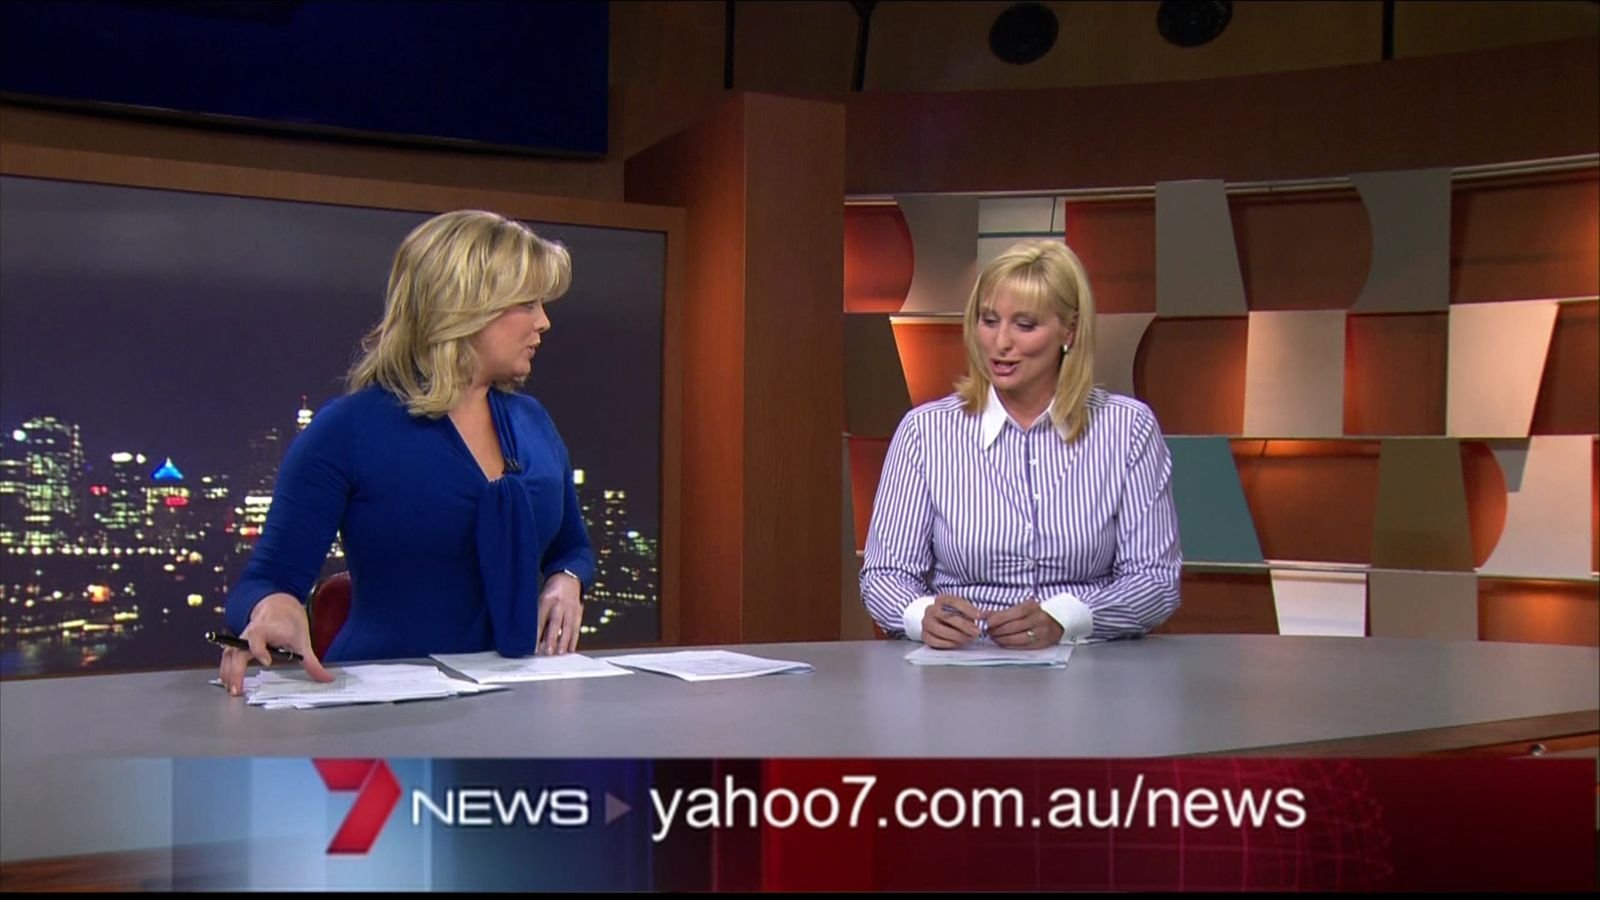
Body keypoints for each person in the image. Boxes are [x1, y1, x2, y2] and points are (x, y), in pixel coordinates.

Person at [219, 210, 595, 694]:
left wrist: (566, 579)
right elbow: (266, 578)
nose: (544, 321)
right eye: (527, 303)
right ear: (464, 305)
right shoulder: (348, 430)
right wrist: (274, 606)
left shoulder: (533, 423)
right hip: (384, 702)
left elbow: (572, 547)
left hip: (518, 698)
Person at [861, 239, 1181, 649]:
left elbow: (1154, 581)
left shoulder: (1128, 429)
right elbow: (885, 574)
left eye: (1025, 325)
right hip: (961, 666)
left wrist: (1065, 619)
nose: (1000, 343)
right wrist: (919, 614)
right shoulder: (925, 433)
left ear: (1070, 330)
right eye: (989, 320)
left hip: (1085, 662)